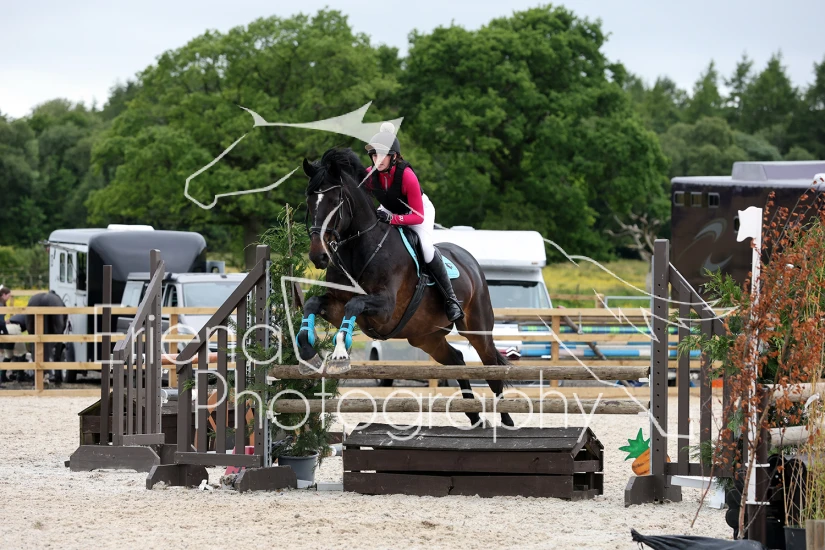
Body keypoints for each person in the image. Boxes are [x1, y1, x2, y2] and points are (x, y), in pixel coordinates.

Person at [364, 123, 464, 323]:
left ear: (393, 157)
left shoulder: (407, 176)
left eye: (382, 155)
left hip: (417, 211)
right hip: (390, 208)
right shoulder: (370, 174)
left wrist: (393, 219)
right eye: (374, 155)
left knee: (426, 249)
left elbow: (418, 217)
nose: (377, 160)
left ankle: (451, 300)